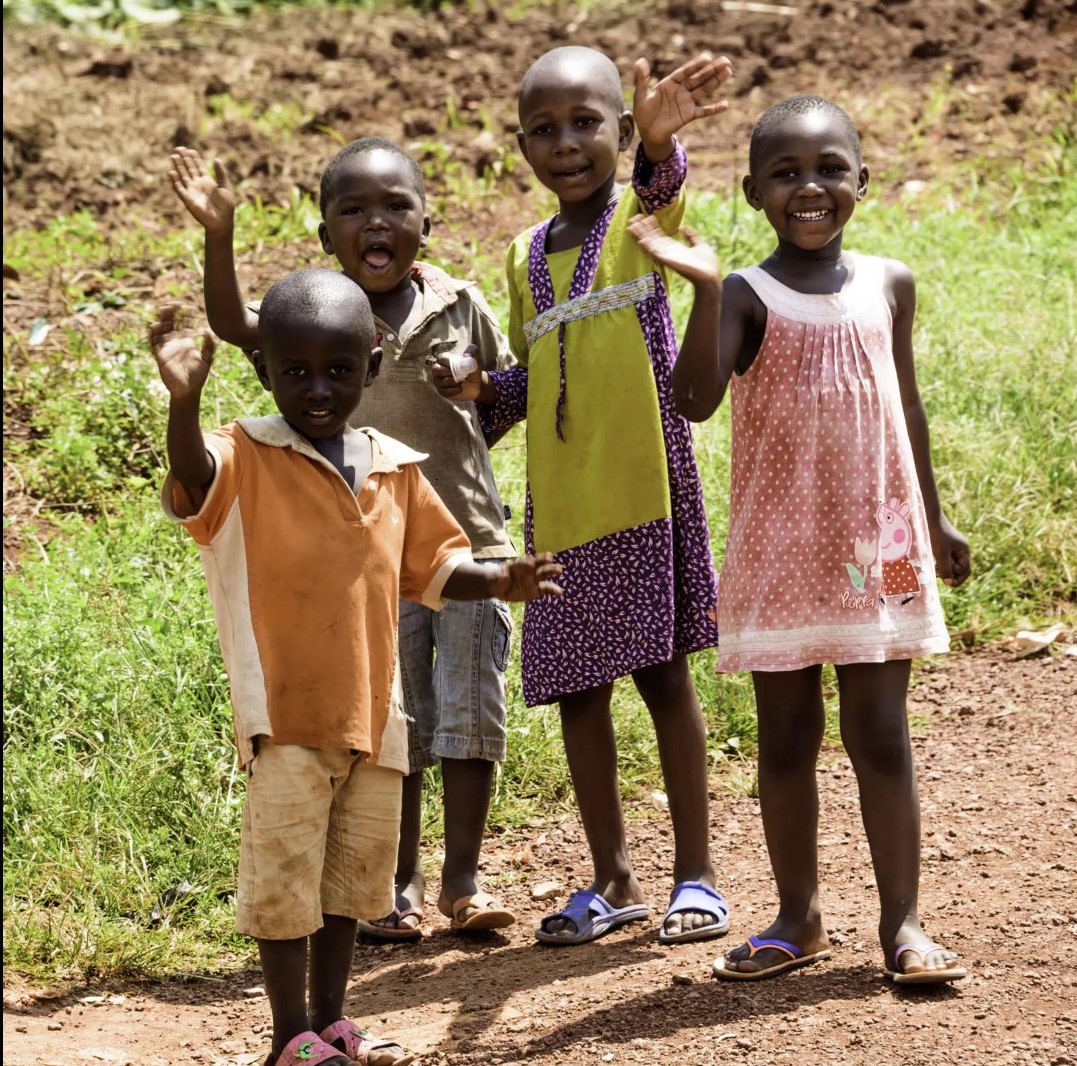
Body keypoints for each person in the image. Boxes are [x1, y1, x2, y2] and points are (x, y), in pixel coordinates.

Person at [149, 268, 562, 1066]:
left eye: (339, 370)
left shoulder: (393, 466)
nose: (317, 388)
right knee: (284, 888)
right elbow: (193, 482)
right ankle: (287, 1035)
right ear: (265, 370)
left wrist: (502, 577)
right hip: (287, 722)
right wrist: (182, 403)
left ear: (371, 368)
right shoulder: (243, 455)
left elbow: (438, 568)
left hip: (377, 722)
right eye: (295, 371)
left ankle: (332, 1020)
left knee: (349, 889)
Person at [628, 94, 971, 984]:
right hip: (778, 548)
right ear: (752, 192)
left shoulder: (889, 282)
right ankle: (798, 917)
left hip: (881, 543)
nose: (809, 188)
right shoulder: (746, 292)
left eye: (828, 169)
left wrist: (933, 517)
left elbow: (909, 407)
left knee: (882, 734)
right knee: (785, 741)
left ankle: (904, 925)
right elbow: (693, 399)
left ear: (864, 180)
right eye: (785, 173)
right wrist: (703, 290)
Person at [167, 137, 523, 942]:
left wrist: (477, 380)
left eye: (396, 206)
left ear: (426, 223)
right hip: (369, 564)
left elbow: (506, 395)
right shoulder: (316, 316)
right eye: (353, 209)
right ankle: (395, 883)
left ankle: (463, 882)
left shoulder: (459, 303)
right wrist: (219, 234)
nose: (376, 221)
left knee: (470, 720)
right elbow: (232, 322)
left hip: (469, 541)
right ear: (324, 232)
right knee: (395, 725)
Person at [432, 47, 735, 946]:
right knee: (578, 695)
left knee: (663, 678)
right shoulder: (525, 253)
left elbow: (659, 186)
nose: (565, 144)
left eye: (587, 123)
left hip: (644, 489)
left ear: (618, 128)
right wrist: (484, 385)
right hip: (562, 511)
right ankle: (613, 878)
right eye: (543, 129)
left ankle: (698, 876)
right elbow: (536, 376)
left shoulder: (643, 224)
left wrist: (657, 144)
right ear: (519, 143)